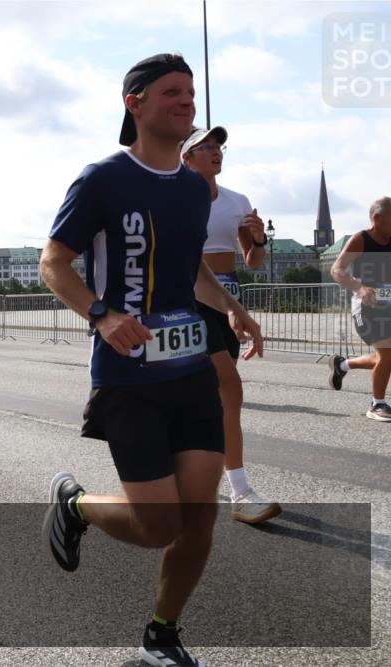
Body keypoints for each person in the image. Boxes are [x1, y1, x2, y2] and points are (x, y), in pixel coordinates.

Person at [39, 53, 263, 667]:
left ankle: (162, 636)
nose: (187, 101)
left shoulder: (195, 188)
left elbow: (190, 267)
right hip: (128, 375)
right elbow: (54, 262)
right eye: (172, 92)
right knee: (160, 523)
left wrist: (232, 308)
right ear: (134, 104)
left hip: (190, 369)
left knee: (201, 514)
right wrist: (102, 315)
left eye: (190, 92)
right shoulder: (103, 178)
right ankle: (76, 503)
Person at [180, 126, 280, 524]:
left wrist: (258, 241)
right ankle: (241, 491)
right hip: (191, 302)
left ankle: (191, 474)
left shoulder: (237, 201)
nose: (214, 152)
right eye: (204, 147)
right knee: (229, 391)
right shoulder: (178, 199)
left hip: (227, 300)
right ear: (186, 157)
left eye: (218, 146)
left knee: (213, 398)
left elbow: (253, 262)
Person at [328, 196, 391, 422]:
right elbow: (336, 270)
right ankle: (377, 404)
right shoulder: (361, 240)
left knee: (385, 357)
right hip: (366, 307)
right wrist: (360, 287)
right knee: (387, 352)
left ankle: (343, 364)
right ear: (377, 218)